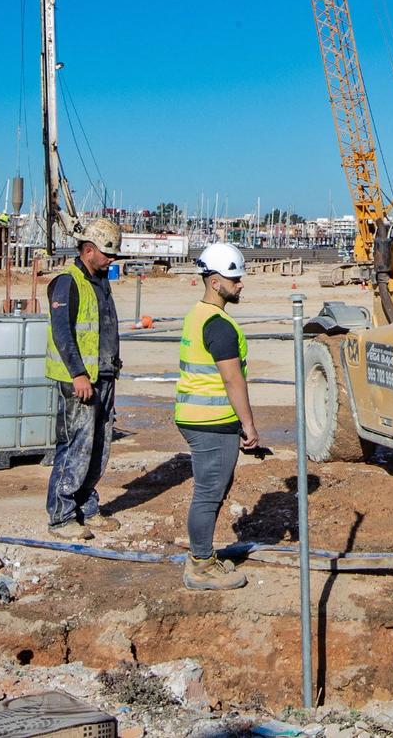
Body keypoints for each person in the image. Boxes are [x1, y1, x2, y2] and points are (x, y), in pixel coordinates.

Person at [177, 241, 259, 590]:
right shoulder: (219, 324)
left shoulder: (198, 315)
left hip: (196, 415)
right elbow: (231, 378)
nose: (240, 284)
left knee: (210, 490)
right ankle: (199, 565)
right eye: (234, 278)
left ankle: (203, 556)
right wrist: (249, 424)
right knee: (209, 493)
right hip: (211, 421)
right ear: (214, 281)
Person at [44, 217, 125, 536]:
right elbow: (62, 331)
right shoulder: (68, 281)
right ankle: (61, 515)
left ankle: (87, 506)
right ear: (88, 250)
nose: (112, 260)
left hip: (104, 377)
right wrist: (78, 374)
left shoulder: (100, 280)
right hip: (79, 381)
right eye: (108, 254)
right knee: (75, 445)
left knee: (98, 446)